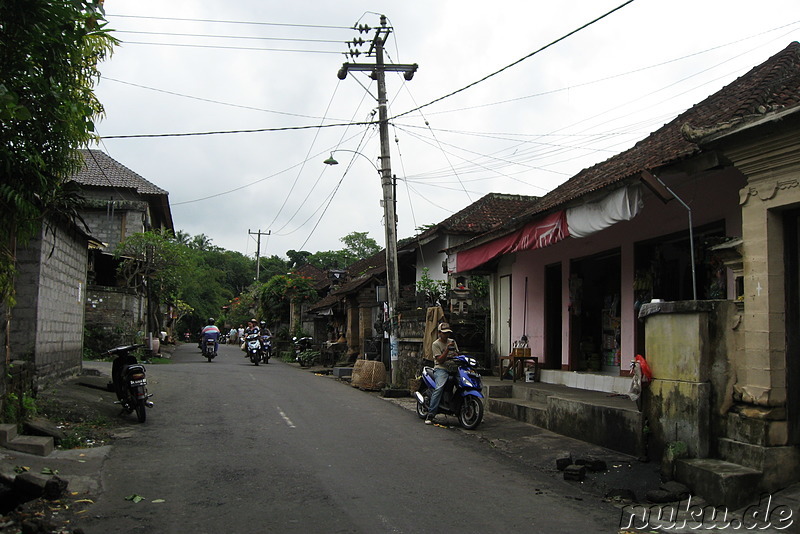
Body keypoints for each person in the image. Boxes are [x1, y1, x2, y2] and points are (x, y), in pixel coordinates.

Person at [426, 322, 459, 425]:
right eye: (444, 333)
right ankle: (431, 414)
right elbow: (439, 360)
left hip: (453, 368)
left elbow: (458, 354)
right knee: (439, 388)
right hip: (441, 369)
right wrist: (447, 350)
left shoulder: (452, 341)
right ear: (439, 333)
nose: (446, 335)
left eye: (448, 333)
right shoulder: (436, 344)